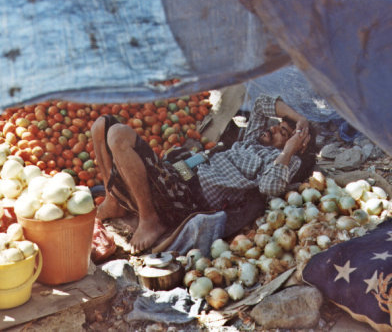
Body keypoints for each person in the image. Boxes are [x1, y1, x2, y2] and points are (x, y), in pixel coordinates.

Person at [91, 95, 313, 254]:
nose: (273, 129)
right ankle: (114, 200)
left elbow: (270, 187)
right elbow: (261, 104)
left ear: (292, 146)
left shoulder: (280, 161)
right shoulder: (252, 140)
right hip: (175, 176)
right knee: (102, 125)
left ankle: (150, 219)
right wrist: (299, 118)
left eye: (282, 133)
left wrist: (290, 149)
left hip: (185, 196)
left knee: (119, 135)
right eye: (277, 126)